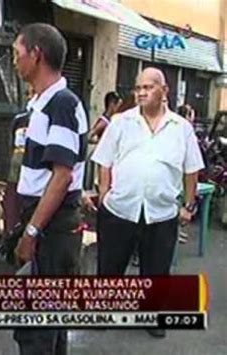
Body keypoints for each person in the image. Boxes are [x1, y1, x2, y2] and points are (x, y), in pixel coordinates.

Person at [91, 67, 205, 338]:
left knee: (156, 269)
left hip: (161, 212)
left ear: (164, 91)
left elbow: (192, 170)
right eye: (138, 87)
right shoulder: (121, 122)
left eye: (148, 87)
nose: (141, 92)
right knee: (110, 264)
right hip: (120, 209)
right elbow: (103, 160)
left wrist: (188, 205)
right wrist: (105, 194)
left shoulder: (182, 128)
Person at [12, 23, 88, 355]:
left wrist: (31, 230)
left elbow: (62, 177)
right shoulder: (40, 105)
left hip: (53, 226)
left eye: (17, 53)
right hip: (43, 220)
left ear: (36, 55)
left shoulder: (62, 103)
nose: (14, 61)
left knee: (38, 328)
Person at [4, 85, 35, 233]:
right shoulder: (19, 119)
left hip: (36, 180)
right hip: (15, 175)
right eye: (28, 94)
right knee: (14, 216)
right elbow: (11, 146)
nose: (31, 97)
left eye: (34, 93)